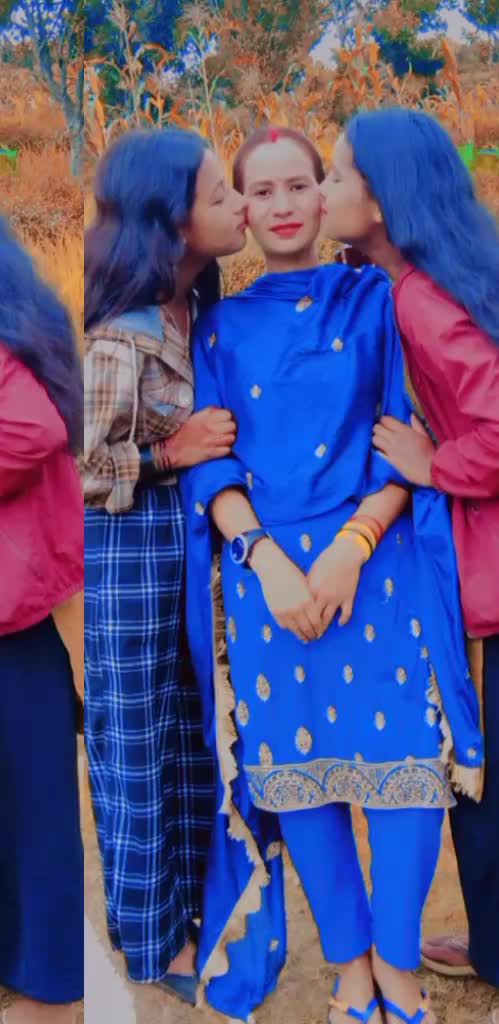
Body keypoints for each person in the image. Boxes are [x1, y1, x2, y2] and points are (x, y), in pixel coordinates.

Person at [181, 126, 484, 1024]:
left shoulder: (379, 302)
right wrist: (266, 560)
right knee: (299, 771)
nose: (281, 205)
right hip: (268, 582)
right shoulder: (220, 327)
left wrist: (352, 546)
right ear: (242, 209)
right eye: (260, 191)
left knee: (405, 768)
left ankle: (396, 961)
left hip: (379, 569)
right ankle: (350, 965)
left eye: (298, 185)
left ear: (326, 195)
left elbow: (404, 441)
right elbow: (211, 468)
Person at [320, 107, 499, 1024]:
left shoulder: (424, 302)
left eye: (338, 176)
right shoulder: (427, 280)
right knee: (489, 776)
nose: (324, 192)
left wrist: (437, 466)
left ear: (384, 200)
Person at [83, 128, 247, 1002]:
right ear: (171, 223)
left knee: (188, 733)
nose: (241, 207)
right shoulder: (121, 340)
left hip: (181, 556)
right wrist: (168, 455)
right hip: (127, 561)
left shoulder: (196, 314)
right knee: (137, 746)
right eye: (221, 196)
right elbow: (80, 469)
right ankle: (155, 944)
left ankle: (193, 911)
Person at [0, 218, 83, 1024]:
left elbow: (33, 430)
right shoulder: (22, 319)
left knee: (34, 811)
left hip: (16, 621)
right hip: (23, 615)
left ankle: (53, 993)